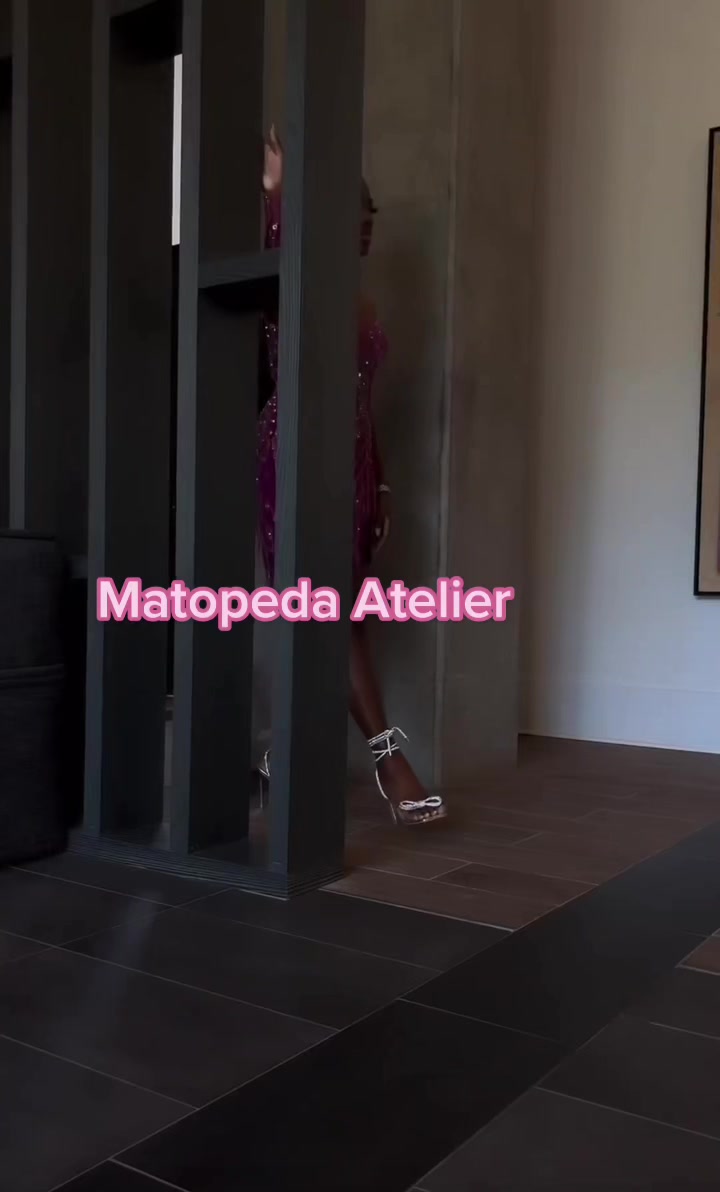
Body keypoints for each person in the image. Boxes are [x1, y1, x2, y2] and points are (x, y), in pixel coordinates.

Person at [256, 127, 447, 827]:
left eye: (371, 217)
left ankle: (281, 755)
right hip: (293, 461)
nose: (367, 228)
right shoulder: (294, 285)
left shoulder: (362, 300)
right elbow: (276, 253)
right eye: (353, 216)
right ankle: (390, 761)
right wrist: (279, 192)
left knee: (333, 617)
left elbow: (365, 404)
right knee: (334, 617)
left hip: (357, 472)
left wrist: (384, 484)